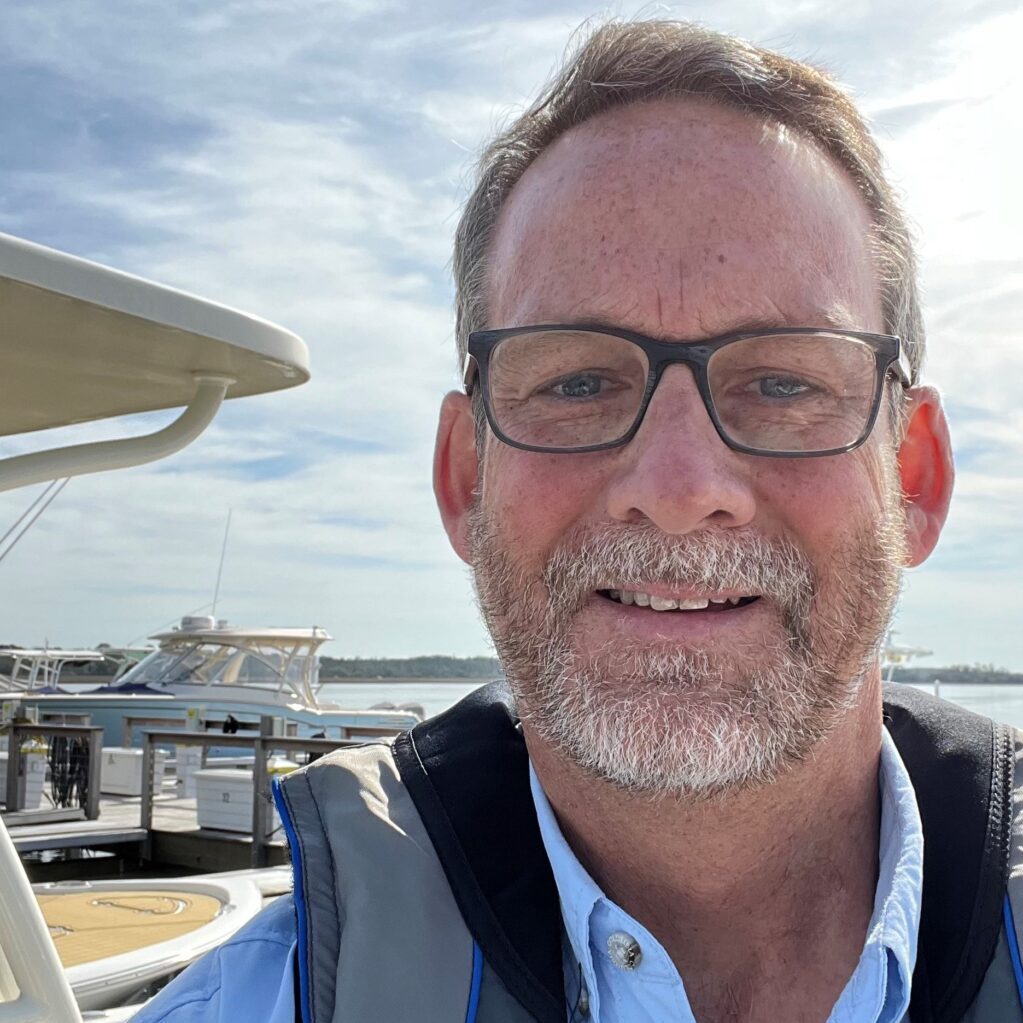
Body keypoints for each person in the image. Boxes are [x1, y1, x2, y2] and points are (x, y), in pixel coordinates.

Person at [136, 19, 1023, 1023]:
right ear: (466, 478)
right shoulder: (263, 1000)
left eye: (783, 381)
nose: (679, 485)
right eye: (579, 381)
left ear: (913, 476)